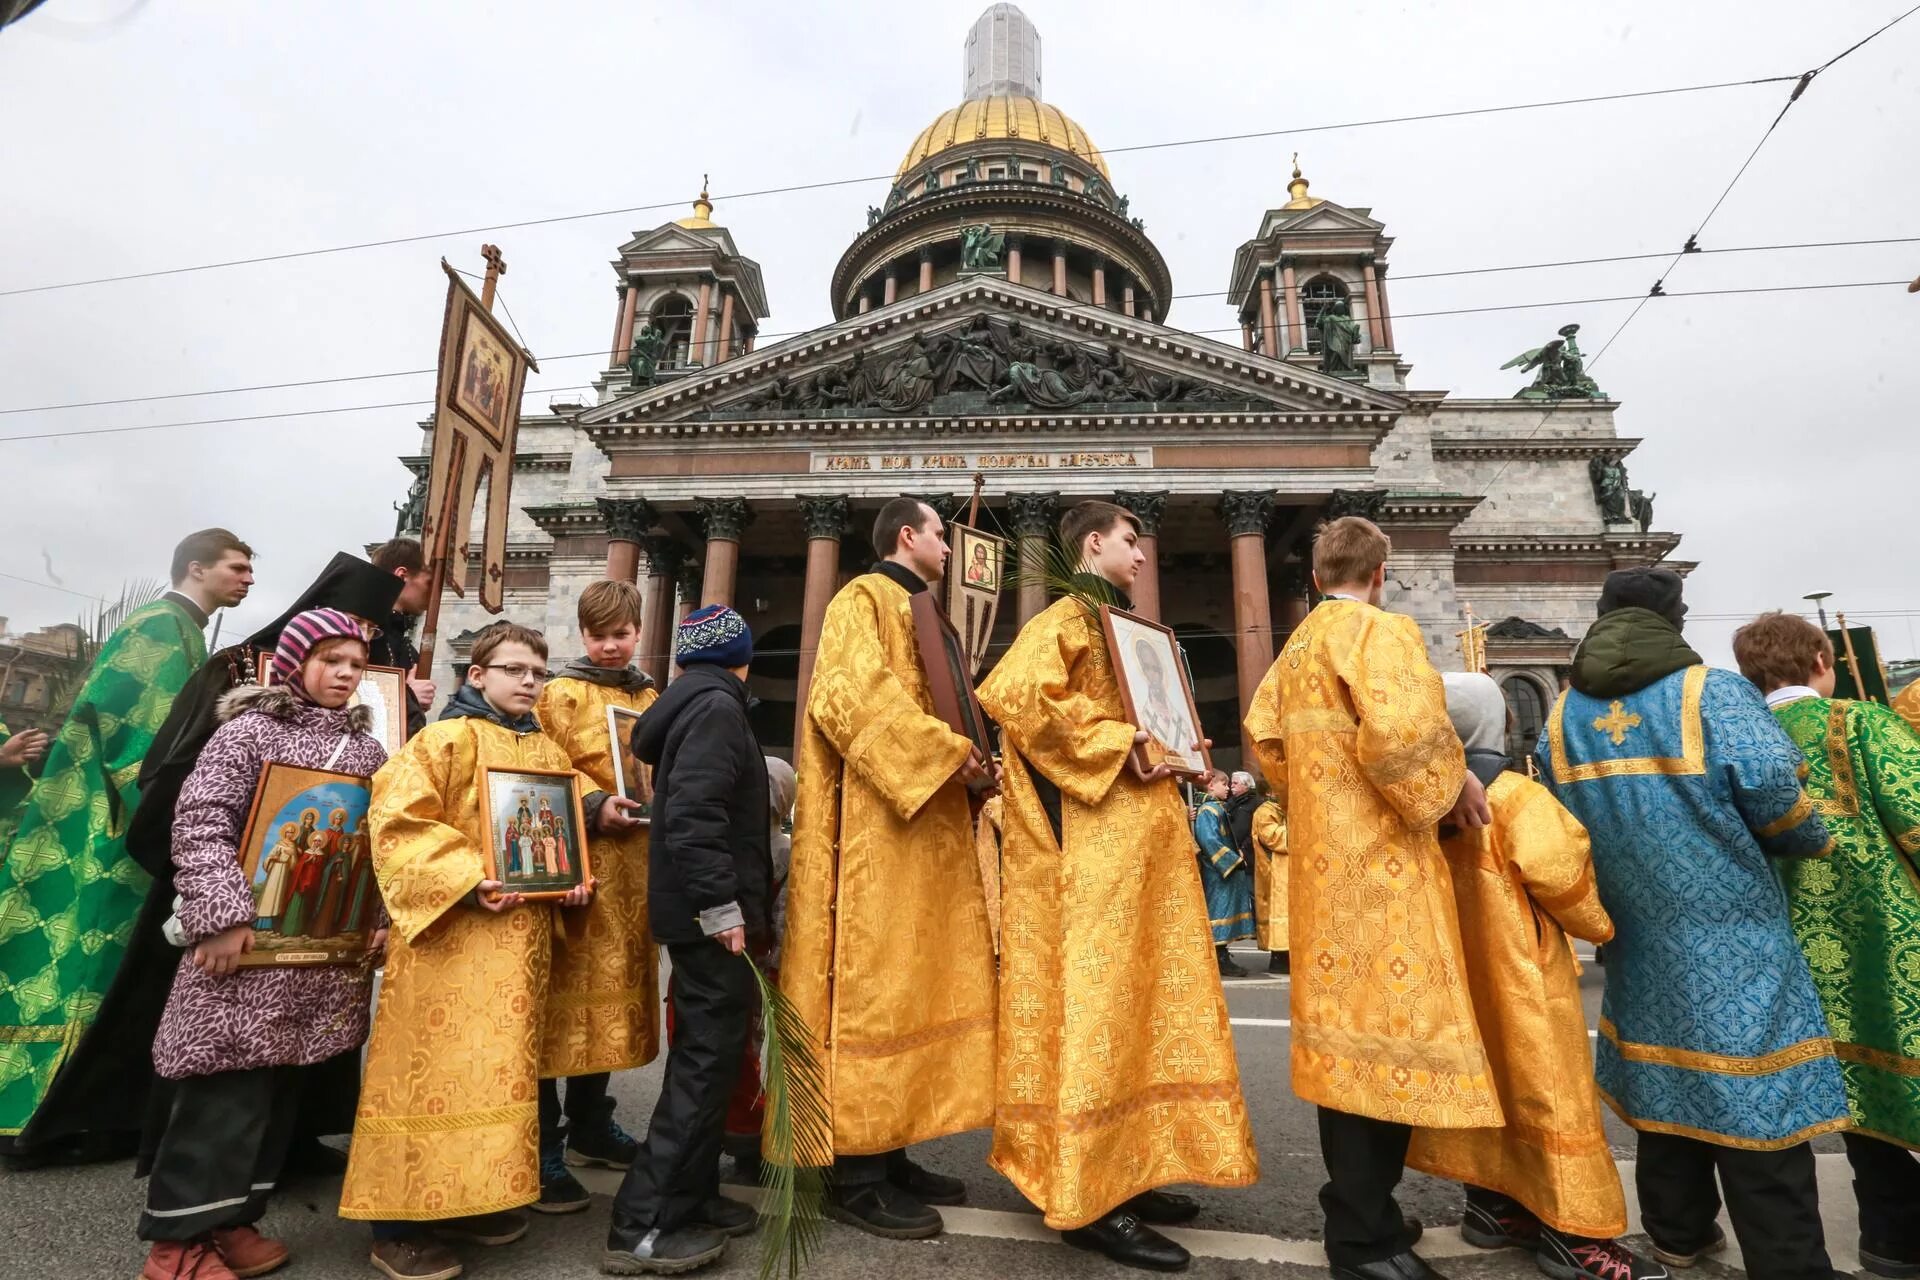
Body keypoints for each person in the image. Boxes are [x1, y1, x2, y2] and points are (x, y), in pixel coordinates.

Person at [1534, 568, 1843, 1280]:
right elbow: (1773, 792)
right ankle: (1789, 1261)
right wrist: (1809, 837)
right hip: (1735, 937)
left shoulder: (1563, 717)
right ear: (1676, 618)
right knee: (1757, 1095)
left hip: (1637, 940)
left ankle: (1678, 1234)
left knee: (1665, 1086)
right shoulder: (1713, 692)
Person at [976, 500, 1257, 1273]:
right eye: (1130, 542)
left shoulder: (1125, 630)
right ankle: (1090, 1194)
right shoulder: (1068, 615)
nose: (1141, 555)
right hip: (1097, 855)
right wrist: (1120, 738)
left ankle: (1128, 1165)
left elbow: (1141, 727)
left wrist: (1179, 746)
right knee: (1101, 1012)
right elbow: (1017, 697)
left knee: (1143, 1007)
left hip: (1144, 851)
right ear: (1093, 544)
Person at [1243, 514, 1494, 1280]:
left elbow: (1264, 740)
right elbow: (1404, 736)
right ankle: (1362, 1237)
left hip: (1325, 878)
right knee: (1383, 1049)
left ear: (1316, 578)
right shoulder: (1380, 633)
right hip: (1386, 875)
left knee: (1347, 1053)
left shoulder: (1295, 648)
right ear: (1379, 575)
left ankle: (1366, 1209)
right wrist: (1452, 785)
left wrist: (1319, 804)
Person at [338, 621, 600, 1280]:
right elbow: (398, 823)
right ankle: (396, 1226)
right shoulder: (443, 739)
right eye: (514, 670)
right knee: (428, 1081)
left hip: (519, 950)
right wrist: (464, 879)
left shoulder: (545, 751)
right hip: (449, 950)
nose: (529, 683)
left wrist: (570, 881)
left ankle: (467, 1200)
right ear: (476, 675)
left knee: (495, 1078)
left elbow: (557, 832)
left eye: (537, 673)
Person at [136, 609, 390, 1280]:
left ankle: (232, 1220)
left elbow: (374, 845)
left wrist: (376, 916)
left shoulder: (367, 753)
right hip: (242, 944)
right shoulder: (247, 733)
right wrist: (218, 915)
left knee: (275, 1097)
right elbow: (200, 820)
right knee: (222, 1090)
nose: (344, 674)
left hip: (315, 948)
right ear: (296, 663)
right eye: (331, 660)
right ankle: (177, 1246)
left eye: (356, 664)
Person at [0, 528, 254, 1161]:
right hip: (111, 826)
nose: (248, 578)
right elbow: (139, 736)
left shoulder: (185, 630)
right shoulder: (161, 628)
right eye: (238, 567)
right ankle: (51, 1118)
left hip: (115, 817)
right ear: (196, 568)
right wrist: (180, 811)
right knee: (88, 956)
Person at [782, 497, 997, 1239]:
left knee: (912, 986)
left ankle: (893, 1145)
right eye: (941, 531)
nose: (949, 543)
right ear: (908, 535)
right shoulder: (862, 596)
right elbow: (847, 697)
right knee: (872, 990)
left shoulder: (928, 612)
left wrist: (974, 755)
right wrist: (947, 754)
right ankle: (854, 1172)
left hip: (924, 829)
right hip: (874, 839)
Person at [1406, 673, 1664, 1280]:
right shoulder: (1517, 798)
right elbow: (1567, 884)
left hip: (1455, 981)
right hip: (1523, 977)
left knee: (1487, 1087)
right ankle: (1573, 1236)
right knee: (1547, 1093)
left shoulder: (1415, 803)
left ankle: (1494, 1209)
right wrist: (1601, 926)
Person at [1732, 611, 1920, 1278]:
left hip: (1786, 949)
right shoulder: (1860, 723)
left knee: (1853, 1093)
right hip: (1890, 940)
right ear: (1819, 659)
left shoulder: (1739, 738)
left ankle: (1892, 1237)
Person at [606, 605, 771, 1275]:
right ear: (741, 656)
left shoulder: (694, 704)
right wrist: (723, 909)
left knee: (713, 1059)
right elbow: (696, 817)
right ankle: (644, 1223)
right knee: (702, 1068)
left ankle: (694, 1197)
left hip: (701, 913)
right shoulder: (717, 710)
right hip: (710, 919)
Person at [528, 580, 658, 1215]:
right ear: (581, 636)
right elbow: (540, 762)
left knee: (602, 1012)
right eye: (598, 636)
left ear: (639, 631)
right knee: (558, 1006)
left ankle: (589, 1123)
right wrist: (593, 802)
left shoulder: (650, 695)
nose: (610, 646)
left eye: (621, 635)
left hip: (634, 873)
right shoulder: (557, 694)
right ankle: (543, 1143)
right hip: (575, 868)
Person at [367, 536, 438, 737]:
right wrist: (409, 697)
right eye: (428, 582)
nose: (432, 593)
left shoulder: (407, 648)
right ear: (402, 576)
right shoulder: (364, 635)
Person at [1193, 769, 1255, 977]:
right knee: (1219, 912)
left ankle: (1222, 953)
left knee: (1226, 910)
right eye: (1224, 784)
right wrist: (1230, 861)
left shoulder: (1217, 808)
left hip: (1225, 872)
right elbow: (1209, 840)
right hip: (1218, 873)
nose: (1228, 788)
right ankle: (1219, 957)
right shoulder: (1208, 810)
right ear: (1211, 785)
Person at [1250, 790, 1288, 974]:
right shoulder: (1265, 811)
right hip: (1274, 873)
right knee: (1278, 912)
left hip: (1287, 873)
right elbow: (1272, 837)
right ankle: (1279, 958)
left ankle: (1288, 955)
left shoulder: (1285, 808)